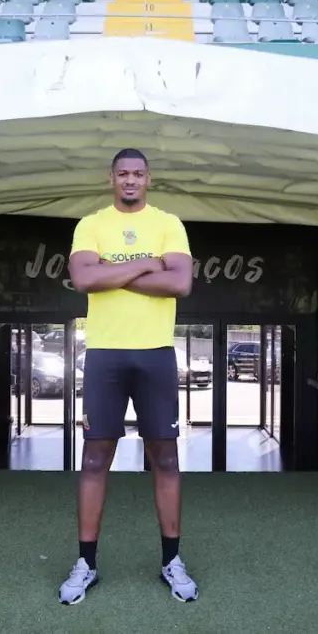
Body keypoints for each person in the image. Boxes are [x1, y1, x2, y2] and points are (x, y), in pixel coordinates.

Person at [58, 148, 198, 606]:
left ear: (149, 179)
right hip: (104, 356)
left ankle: (172, 562)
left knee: (166, 460)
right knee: (96, 460)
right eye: (123, 174)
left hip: (156, 355)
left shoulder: (169, 224)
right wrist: (144, 264)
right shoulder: (91, 224)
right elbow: (83, 279)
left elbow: (179, 283)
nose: (131, 180)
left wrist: (110, 273)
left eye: (138, 173)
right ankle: (86, 564)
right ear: (111, 178)